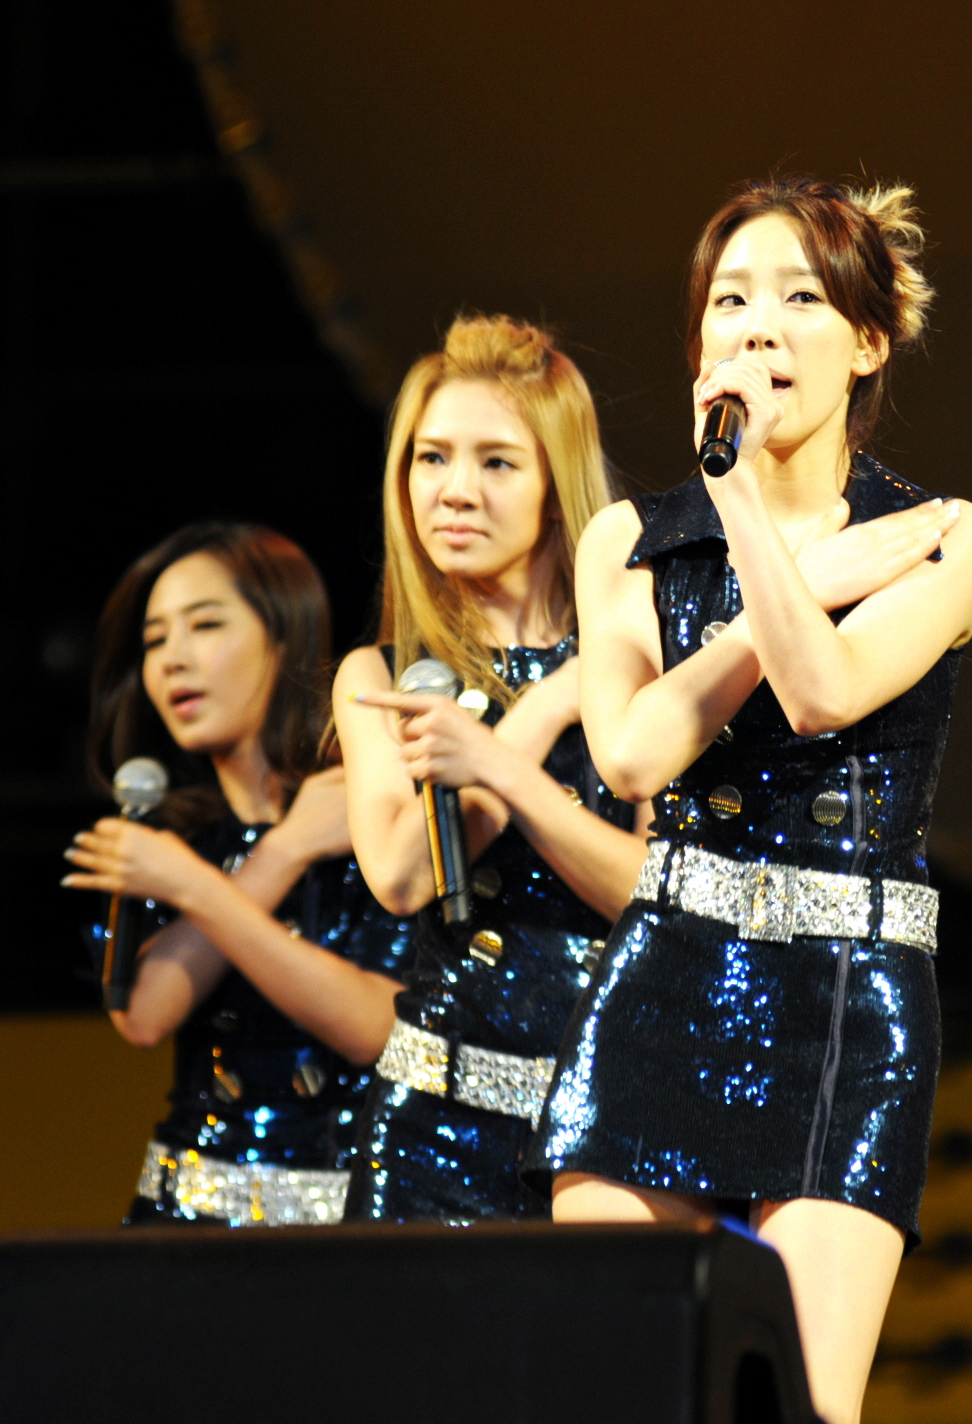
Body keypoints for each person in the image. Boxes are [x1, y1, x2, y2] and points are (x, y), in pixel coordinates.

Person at [528, 177, 972, 1424]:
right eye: (729, 300)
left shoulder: (940, 534)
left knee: (796, 1402)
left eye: (798, 298)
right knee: (621, 1386)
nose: (757, 328)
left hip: (847, 998)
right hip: (662, 976)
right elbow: (631, 756)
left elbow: (823, 689)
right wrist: (789, 575)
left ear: (868, 340)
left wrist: (743, 502)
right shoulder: (627, 540)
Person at [333, 314, 650, 1224]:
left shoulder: (636, 664)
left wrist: (508, 769)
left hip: (607, 1131)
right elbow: (400, 876)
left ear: (555, 485)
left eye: (497, 463)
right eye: (431, 459)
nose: (455, 492)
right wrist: (540, 715)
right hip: (426, 1135)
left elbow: (653, 894)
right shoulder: (380, 677)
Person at [61, 523, 415, 1225]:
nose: (173, 659)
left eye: (205, 625)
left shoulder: (365, 803)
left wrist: (203, 886)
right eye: (155, 640)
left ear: (283, 636)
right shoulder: (167, 835)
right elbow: (143, 1013)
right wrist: (278, 855)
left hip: (350, 1219)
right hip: (185, 1218)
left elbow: (378, 1028)